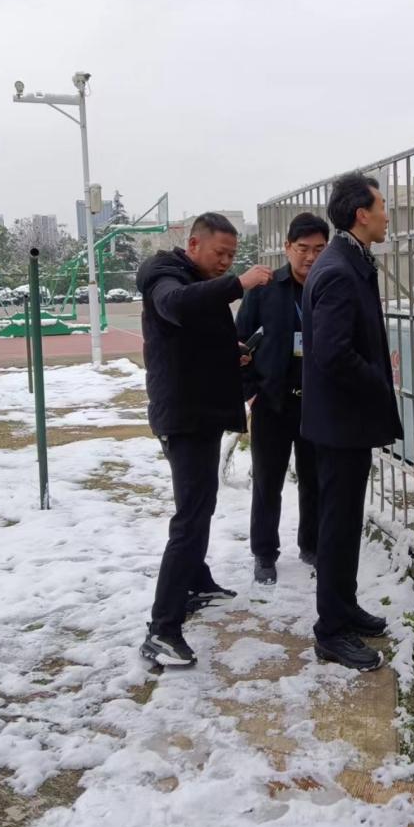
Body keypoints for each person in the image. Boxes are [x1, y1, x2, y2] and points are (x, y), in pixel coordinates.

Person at [136, 213, 272, 667]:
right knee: (191, 518)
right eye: (220, 254)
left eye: (233, 256)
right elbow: (176, 306)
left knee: (199, 506)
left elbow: (192, 335)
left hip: (201, 413)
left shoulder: (196, 279)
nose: (226, 262)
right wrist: (239, 284)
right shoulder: (163, 275)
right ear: (194, 244)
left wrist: (229, 352)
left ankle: (196, 582)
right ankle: (162, 629)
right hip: (184, 416)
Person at [301, 172, 403, 671]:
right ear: (362, 214)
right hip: (340, 424)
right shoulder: (340, 270)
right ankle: (330, 631)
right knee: (337, 527)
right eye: (382, 206)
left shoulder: (350, 260)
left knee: (343, 523)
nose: (387, 214)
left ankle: (343, 607)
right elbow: (333, 353)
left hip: (343, 422)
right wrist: (378, 381)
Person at [236, 213, 330, 585]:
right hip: (272, 403)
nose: (310, 257)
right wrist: (251, 393)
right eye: (303, 248)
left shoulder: (330, 286)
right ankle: (264, 553)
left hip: (317, 404)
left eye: (319, 249)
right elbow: (239, 344)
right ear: (288, 247)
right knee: (267, 482)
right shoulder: (264, 289)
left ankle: (312, 545)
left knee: (314, 480)